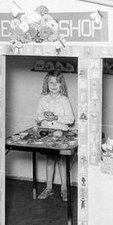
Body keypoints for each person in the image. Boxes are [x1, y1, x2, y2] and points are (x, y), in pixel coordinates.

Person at [35, 71, 75, 202]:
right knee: (50, 160)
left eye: (57, 82)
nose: (54, 85)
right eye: (51, 82)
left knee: (62, 161)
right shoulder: (43, 99)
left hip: (61, 133)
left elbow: (70, 119)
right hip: (48, 134)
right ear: (46, 84)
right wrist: (44, 115)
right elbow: (37, 117)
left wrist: (57, 117)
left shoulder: (64, 100)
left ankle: (64, 189)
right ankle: (48, 188)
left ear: (61, 85)